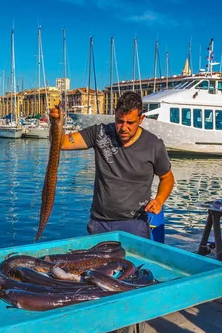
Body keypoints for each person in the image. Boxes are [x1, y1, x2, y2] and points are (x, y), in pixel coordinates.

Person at [55, 91, 175, 239]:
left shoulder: (154, 145)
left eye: (130, 123)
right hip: (100, 223)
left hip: (134, 223)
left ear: (141, 119)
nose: (124, 127)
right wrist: (56, 123)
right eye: (119, 121)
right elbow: (61, 143)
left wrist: (159, 200)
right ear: (114, 115)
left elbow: (167, 178)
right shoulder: (100, 133)